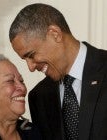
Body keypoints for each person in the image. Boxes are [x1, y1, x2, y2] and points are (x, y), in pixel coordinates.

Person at [9, 3, 107, 140]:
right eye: (24, 59)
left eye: (31, 55)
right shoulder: (39, 96)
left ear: (55, 34)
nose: (30, 67)